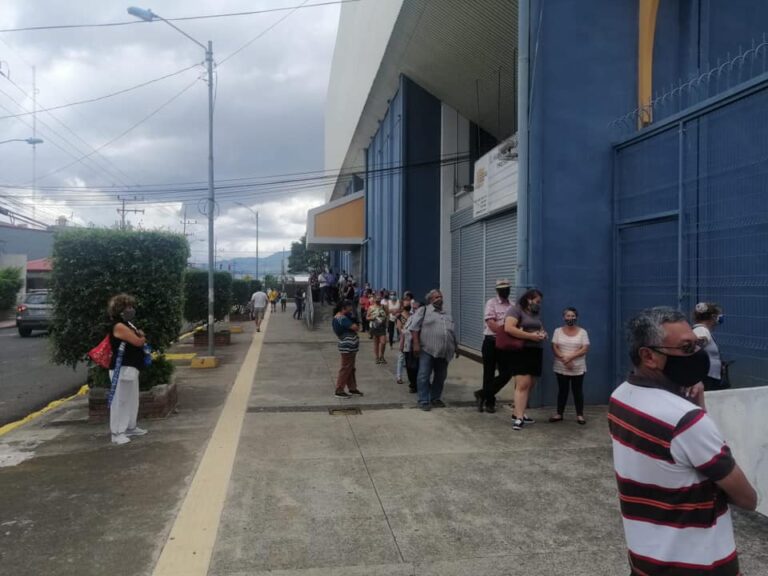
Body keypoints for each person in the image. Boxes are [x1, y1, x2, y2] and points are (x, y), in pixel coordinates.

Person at [609, 307, 756, 576]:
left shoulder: (620, 397)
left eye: (697, 345)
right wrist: (698, 414)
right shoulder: (685, 421)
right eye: (686, 348)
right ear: (649, 356)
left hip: (644, 557)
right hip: (699, 563)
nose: (696, 356)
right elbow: (747, 498)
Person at [490, 288, 546, 430]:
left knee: (531, 383)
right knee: (522, 383)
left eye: (540, 302)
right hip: (521, 351)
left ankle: (518, 412)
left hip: (535, 351)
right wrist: (531, 336)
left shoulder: (534, 313)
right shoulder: (515, 310)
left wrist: (543, 334)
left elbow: (540, 327)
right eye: (537, 301)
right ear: (529, 299)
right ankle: (519, 418)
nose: (539, 304)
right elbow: (509, 328)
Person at [106, 294, 148, 445]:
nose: (131, 309)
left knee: (131, 399)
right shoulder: (119, 326)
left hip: (131, 367)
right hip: (121, 368)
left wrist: (141, 337)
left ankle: (130, 426)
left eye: (131, 306)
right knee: (120, 400)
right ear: (120, 309)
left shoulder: (128, 324)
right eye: (128, 307)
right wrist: (142, 338)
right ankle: (117, 432)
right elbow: (138, 341)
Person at [410, 289, 458, 411]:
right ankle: (424, 400)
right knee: (423, 375)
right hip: (427, 349)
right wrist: (416, 344)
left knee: (440, 376)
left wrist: (456, 346)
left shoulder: (447, 314)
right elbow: (414, 328)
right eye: (436, 297)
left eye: (440, 296)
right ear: (430, 300)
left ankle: (435, 398)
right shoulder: (424, 310)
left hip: (444, 351)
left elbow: (451, 331)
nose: (439, 299)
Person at [475, 278, 513, 413]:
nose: (505, 291)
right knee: (489, 373)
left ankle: (482, 394)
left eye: (507, 288)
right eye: (502, 289)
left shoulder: (512, 306)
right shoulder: (491, 303)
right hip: (491, 342)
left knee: (507, 373)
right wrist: (505, 332)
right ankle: (489, 403)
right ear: (497, 290)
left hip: (505, 344)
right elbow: (491, 323)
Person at [549, 307, 590, 424]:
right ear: (564, 317)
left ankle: (580, 415)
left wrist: (570, 358)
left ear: (576, 317)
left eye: (572, 316)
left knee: (577, 390)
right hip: (561, 366)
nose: (570, 318)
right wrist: (564, 359)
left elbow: (585, 348)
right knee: (562, 390)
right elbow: (554, 346)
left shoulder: (583, 332)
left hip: (578, 366)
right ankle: (559, 414)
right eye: (568, 316)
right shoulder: (557, 331)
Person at [332, 300, 364, 399]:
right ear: (344, 307)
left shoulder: (341, 317)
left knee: (350, 368)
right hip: (347, 345)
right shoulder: (342, 318)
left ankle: (352, 387)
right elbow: (355, 327)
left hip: (349, 345)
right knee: (346, 367)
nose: (351, 308)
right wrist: (355, 322)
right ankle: (339, 389)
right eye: (349, 306)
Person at [692, 302, 727, 390]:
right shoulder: (702, 331)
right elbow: (693, 351)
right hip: (706, 378)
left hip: (709, 376)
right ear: (713, 317)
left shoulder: (702, 330)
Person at [401, 300, 420, 392]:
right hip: (408, 347)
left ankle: (419, 383)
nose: (415, 310)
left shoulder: (424, 320)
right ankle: (412, 384)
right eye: (414, 308)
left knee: (419, 367)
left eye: (417, 308)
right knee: (410, 367)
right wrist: (401, 345)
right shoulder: (411, 318)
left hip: (420, 348)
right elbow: (403, 332)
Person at [394, 295, 412, 385]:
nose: (408, 303)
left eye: (409, 301)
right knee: (401, 358)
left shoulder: (412, 316)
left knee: (410, 360)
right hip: (404, 340)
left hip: (412, 340)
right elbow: (399, 329)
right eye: (406, 301)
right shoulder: (400, 317)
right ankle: (399, 376)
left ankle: (411, 377)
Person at [367, 297, 388, 363]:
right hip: (374, 326)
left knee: (383, 342)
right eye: (376, 298)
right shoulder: (371, 307)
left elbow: (387, 315)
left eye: (379, 298)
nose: (378, 300)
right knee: (376, 343)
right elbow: (367, 317)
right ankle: (377, 357)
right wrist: (373, 317)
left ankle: (382, 356)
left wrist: (385, 322)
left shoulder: (384, 307)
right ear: (374, 299)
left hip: (382, 327)